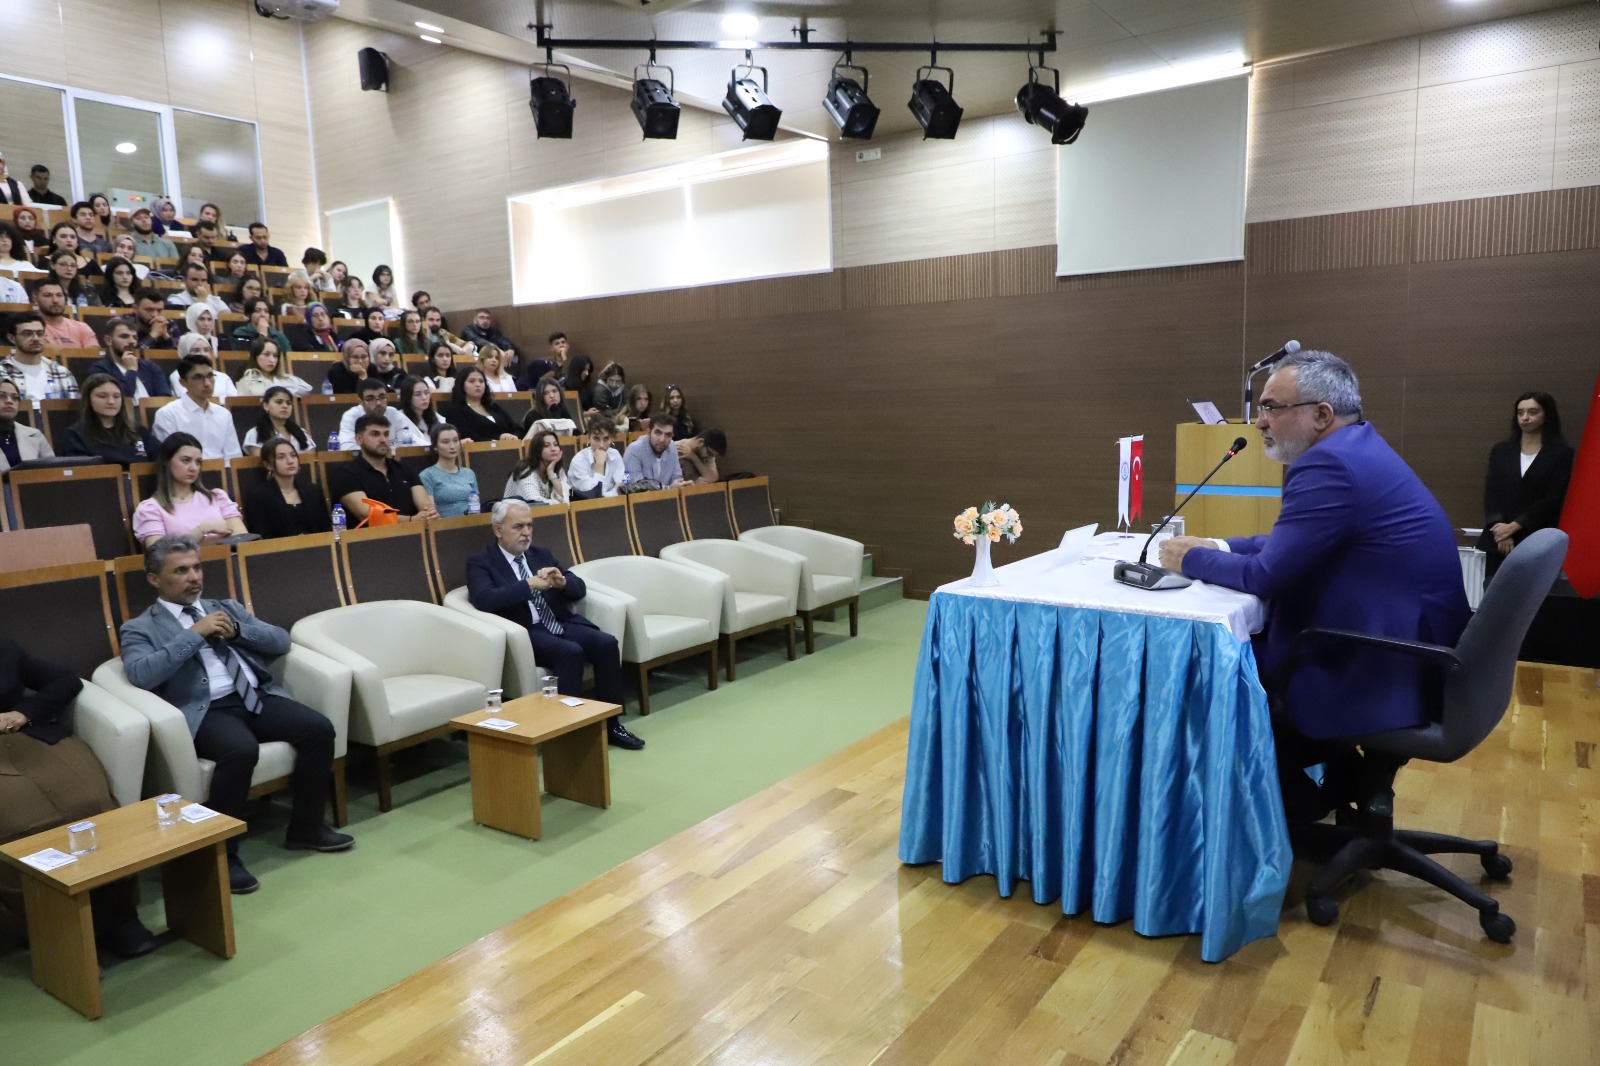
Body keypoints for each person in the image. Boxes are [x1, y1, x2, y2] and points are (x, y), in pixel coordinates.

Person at [1156, 351, 1471, 824]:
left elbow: (1266, 575)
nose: (1260, 422)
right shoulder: (1356, 448)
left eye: (1270, 408)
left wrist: (1191, 558)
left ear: (1321, 415)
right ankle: (1348, 780)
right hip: (1413, 650)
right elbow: (1292, 543)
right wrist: (1219, 543)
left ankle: (1293, 813)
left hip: (1375, 665)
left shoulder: (1330, 466)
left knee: (1206, 672)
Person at [121, 534, 353, 894]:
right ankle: (224, 856)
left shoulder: (225, 606)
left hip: (252, 697)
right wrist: (194, 635)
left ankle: (306, 829)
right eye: (181, 571)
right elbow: (141, 673)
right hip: (206, 709)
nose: (194, 577)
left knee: (319, 728)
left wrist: (240, 631)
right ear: (154, 579)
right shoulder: (140, 627)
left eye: (197, 567)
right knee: (241, 750)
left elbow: (280, 641)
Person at [0, 637, 159, 959]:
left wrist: (22, 712)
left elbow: (64, 680)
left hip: (30, 740)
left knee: (90, 803)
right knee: (20, 824)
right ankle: (52, 929)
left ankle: (118, 916)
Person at [466, 501, 644, 750]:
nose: (526, 532)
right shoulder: (482, 562)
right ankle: (568, 732)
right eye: (518, 526)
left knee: (606, 644)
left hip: (560, 621)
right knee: (570, 652)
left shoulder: (540, 553)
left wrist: (562, 583)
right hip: (527, 631)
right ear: (498, 530)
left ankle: (611, 724)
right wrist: (527, 586)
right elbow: (484, 599)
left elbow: (578, 586)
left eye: (529, 526)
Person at [1480, 391, 1574, 585]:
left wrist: (1513, 527)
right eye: (1520, 412)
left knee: (1532, 605)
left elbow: (1553, 499)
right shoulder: (1501, 451)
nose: (1525, 417)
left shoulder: (1561, 454)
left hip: (1537, 539)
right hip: (1499, 541)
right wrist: (1500, 530)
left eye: (1532, 412)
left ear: (1546, 415)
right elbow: (1492, 493)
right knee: (1494, 600)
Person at [132, 432, 249, 547]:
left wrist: (199, 542)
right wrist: (202, 530)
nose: (193, 468)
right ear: (166, 462)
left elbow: (241, 539)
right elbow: (159, 554)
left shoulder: (217, 497)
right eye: (186, 460)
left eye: (198, 462)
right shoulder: (151, 509)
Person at [326, 414, 439, 525]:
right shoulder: (345, 474)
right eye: (375, 434)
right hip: (370, 540)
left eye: (386, 434)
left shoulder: (405, 469)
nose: (383, 440)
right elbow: (366, 514)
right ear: (359, 439)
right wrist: (411, 520)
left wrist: (428, 514)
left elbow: (425, 505)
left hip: (413, 535)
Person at [151, 353, 243, 459]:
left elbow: (233, 456)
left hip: (221, 473)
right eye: (198, 377)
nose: (207, 383)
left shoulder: (223, 414)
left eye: (210, 376)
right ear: (183, 382)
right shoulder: (168, 414)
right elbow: (170, 459)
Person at [62, 373, 160, 465]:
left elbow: (162, 457)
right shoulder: (75, 434)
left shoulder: (138, 430)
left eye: (117, 396)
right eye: (102, 396)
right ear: (88, 399)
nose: (111, 401)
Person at [243, 438, 330, 539]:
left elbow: (326, 530)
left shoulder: (314, 491)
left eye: (293, 455)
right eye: (281, 457)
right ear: (268, 465)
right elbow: (261, 537)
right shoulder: (257, 496)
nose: (290, 461)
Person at [86, 315, 171, 400]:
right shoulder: (100, 370)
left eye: (135, 337)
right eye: (124, 336)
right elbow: (119, 399)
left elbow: (164, 399)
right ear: (109, 340)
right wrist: (131, 370)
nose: (132, 341)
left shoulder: (151, 367)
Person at [3, 309, 81, 398]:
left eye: (40, 333)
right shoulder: (2, 372)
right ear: (11, 338)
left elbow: (73, 408)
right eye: (28, 334)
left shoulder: (62, 372)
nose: (36, 338)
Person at [338, 377, 426, 451]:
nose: (378, 403)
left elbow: (412, 442)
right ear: (361, 402)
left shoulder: (393, 413)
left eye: (382, 397)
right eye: (370, 398)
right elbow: (347, 447)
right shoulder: (351, 416)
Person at [439, 367, 519, 442]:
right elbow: (467, 436)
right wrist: (498, 440)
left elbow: (516, 427)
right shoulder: (455, 410)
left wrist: (513, 437)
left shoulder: (493, 406)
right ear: (461, 385)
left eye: (481, 381)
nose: (478, 385)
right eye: (472, 381)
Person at [419, 423, 479, 518]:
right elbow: (431, 512)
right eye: (445, 442)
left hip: (471, 523)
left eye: (455, 441)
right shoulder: (427, 475)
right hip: (445, 527)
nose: (452, 446)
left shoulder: (469, 473)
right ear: (435, 446)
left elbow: (476, 505)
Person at [241, 385, 316, 455]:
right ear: (266, 406)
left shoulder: (301, 432)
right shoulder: (255, 434)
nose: (285, 406)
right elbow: (261, 463)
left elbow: (311, 461)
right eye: (279, 402)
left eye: (288, 403)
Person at [0, 379, 54, 472]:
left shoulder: (35, 435)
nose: (9, 401)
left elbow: (53, 471)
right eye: (1, 396)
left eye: (15, 397)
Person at [623, 414, 688, 489]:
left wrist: (682, 484)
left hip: (669, 499)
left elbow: (677, 476)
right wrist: (668, 489)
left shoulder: (671, 446)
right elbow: (634, 487)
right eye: (658, 433)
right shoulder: (633, 450)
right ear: (648, 433)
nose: (662, 440)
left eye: (668, 435)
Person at [30, 280, 98, 350]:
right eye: (48, 295)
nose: (55, 300)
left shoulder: (82, 328)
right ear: (35, 299)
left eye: (59, 295)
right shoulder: (27, 328)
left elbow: (92, 355)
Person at [507, 429, 569, 506]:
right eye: (546, 446)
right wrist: (559, 504)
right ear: (537, 450)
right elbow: (534, 502)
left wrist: (551, 473)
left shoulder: (558, 470)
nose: (553, 449)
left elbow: (565, 499)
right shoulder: (525, 471)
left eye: (555, 444)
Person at [569, 419, 626, 499]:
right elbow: (593, 496)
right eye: (596, 439)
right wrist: (599, 466)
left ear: (611, 439)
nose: (601, 445)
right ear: (589, 439)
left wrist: (609, 496)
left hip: (614, 505)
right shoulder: (578, 461)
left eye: (606, 439)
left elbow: (623, 486)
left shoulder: (615, 454)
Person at [165, 262, 229, 314]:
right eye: (195, 280)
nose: (200, 284)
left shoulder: (215, 300)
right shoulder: (176, 300)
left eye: (203, 280)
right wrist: (201, 301)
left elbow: (228, 322)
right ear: (184, 280)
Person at [394, 374, 440, 444]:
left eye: (426, 393)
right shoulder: (399, 418)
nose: (424, 398)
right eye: (417, 394)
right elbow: (408, 443)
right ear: (407, 397)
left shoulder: (436, 416)